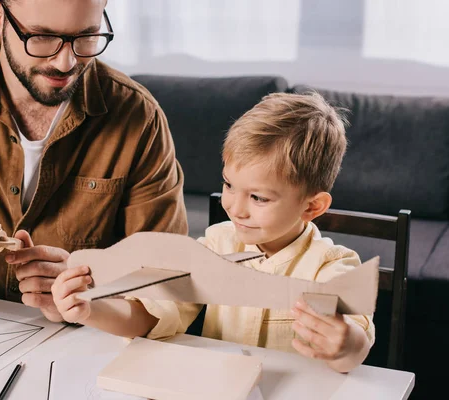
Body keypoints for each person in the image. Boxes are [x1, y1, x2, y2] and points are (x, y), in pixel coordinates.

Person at [0, 0, 187, 322]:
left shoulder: (139, 118)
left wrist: (89, 301)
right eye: (42, 38)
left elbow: (166, 291)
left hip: (86, 341)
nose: (66, 62)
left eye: (87, 37)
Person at [52, 92, 375, 372]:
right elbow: (152, 318)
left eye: (258, 197)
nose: (235, 207)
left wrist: (345, 344)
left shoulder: (332, 265)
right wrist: (90, 309)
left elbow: (354, 352)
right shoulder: (217, 243)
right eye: (228, 185)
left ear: (312, 207)